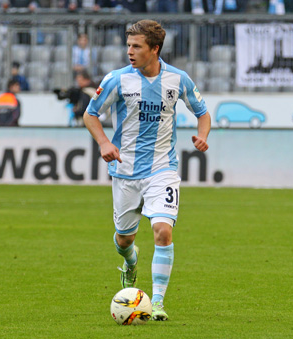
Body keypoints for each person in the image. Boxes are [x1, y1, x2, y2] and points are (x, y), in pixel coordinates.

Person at [83, 20, 211, 321]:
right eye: (128, 45)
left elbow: (203, 113)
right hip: (125, 172)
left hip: (161, 169)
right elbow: (91, 115)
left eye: (136, 46)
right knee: (124, 240)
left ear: (154, 49)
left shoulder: (178, 80)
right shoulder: (117, 79)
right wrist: (103, 143)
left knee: (162, 230)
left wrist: (203, 136)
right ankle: (130, 263)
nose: (129, 51)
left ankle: (157, 302)